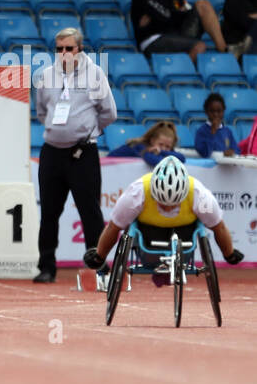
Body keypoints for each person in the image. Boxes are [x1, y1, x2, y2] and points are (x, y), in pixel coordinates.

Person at [32, 27, 118, 283]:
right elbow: (41, 112)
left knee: (90, 212)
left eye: (69, 48)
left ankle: (99, 266)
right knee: (48, 212)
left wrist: (87, 131)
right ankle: (46, 267)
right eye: (59, 49)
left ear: (79, 48)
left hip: (83, 152)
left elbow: (109, 113)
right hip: (52, 153)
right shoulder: (46, 76)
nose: (64, 53)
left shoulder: (94, 74)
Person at [83, 156, 243, 286]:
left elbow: (218, 227)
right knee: (131, 228)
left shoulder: (199, 194)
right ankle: (159, 268)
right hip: (148, 237)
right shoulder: (137, 192)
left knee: (197, 229)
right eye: (162, 202)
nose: (167, 208)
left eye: (173, 203)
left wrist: (229, 253)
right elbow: (114, 226)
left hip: (184, 236)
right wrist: (99, 256)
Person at [107, 120, 187, 165]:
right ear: (152, 140)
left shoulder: (160, 151)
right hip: (109, 165)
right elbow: (156, 161)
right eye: (160, 144)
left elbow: (181, 158)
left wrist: (161, 151)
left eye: (167, 146)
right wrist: (163, 153)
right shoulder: (141, 146)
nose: (164, 148)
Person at [193, 93, 238, 158]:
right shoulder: (201, 131)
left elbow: (237, 150)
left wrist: (232, 151)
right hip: (208, 167)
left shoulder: (227, 131)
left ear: (223, 111)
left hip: (226, 167)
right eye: (212, 111)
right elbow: (204, 153)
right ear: (206, 111)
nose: (216, 114)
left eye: (219, 111)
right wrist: (212, 133)